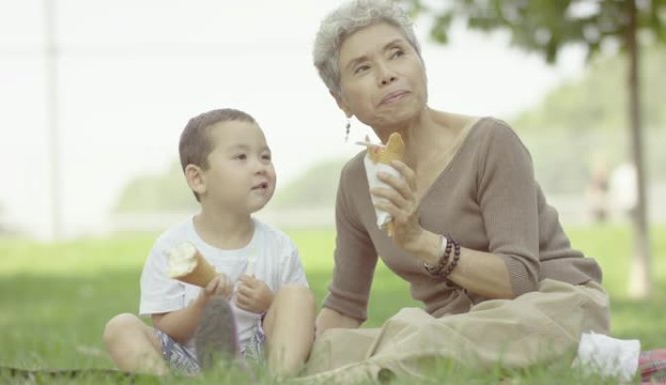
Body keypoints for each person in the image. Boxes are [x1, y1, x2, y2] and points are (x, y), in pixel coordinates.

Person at [297, 1, 617, 383]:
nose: (387, 74)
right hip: (451, 331)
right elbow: (344, 309)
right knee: (346, 347)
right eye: (362, 68)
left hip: (549, 309)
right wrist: (298, 349)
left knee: (419, 339)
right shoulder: (355, 183)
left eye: (397, 53)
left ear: (421, 63)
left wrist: (420, 241)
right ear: (342, 101)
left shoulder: (490, 142)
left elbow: (519, 279)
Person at [102, 108, 316, 379]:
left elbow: (298, 322)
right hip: (186, 364)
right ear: (198, 178)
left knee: (297, 295)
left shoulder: (280, 248)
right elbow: (166, 329)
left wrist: (269, 304)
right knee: (120, 327)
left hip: (256, 360)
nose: (260, 166)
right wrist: (202, 306)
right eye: (241, 156)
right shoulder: (172, 247)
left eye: (265, 156)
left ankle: (277, 380)